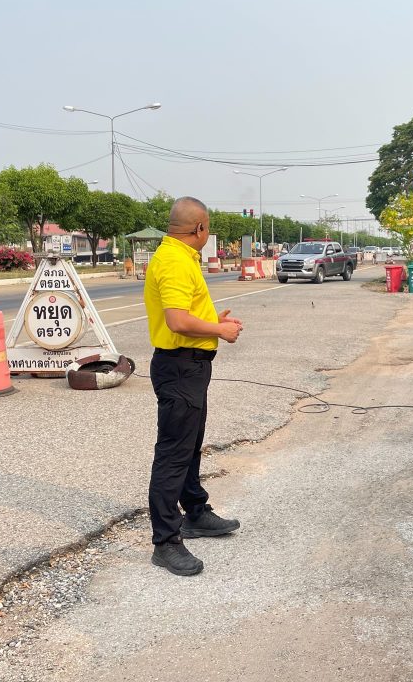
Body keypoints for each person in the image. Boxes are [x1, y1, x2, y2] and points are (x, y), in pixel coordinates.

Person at [144, 196, 244, 576]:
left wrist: (211, 319)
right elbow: (176, 321)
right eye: (208, 227)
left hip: (190, 367)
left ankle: (196, 513)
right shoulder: (174, 261)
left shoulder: (179, 256)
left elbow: (186, 315)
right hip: (179, 368)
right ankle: (166, 542)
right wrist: (219, 329)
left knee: (189, 446)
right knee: (173, 454)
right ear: (200, 228)